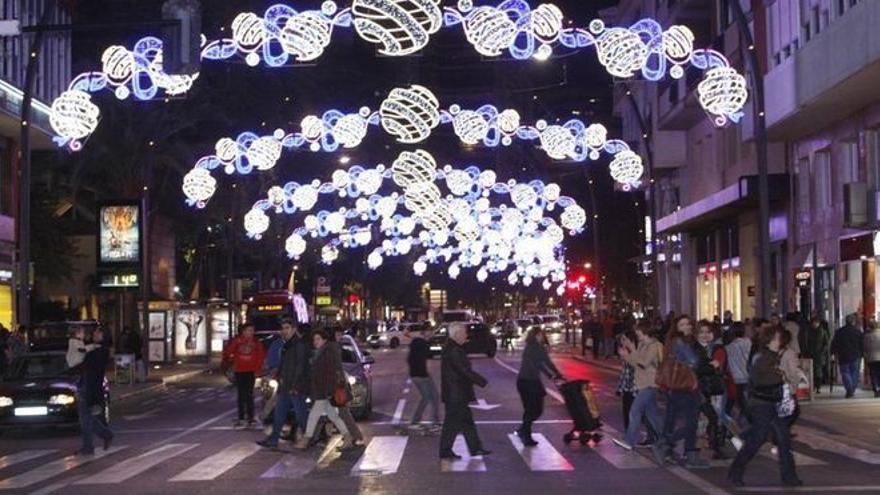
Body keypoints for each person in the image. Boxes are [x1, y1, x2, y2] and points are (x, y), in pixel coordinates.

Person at [728, 326, 801, 488]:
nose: (778, 341)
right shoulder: (762, 357)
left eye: (780, 338)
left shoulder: (772, 355)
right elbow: (758, 380)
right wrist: (780, 376)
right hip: (762, 404)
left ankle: (790, 476)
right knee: (758, 439)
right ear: (769, 339)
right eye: (776, 338)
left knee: (783, 439)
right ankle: (735, 472)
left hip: (773, 403)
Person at [651, 315, 709, 469]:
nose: (687, 327)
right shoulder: (680, 342)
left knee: (674, 419)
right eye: (682, 324)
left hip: (675, 385)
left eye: (688, 324)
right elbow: (693, 361)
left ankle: (673, 449)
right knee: (691, 421)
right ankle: (668, 446)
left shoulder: (672, 341)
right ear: (676, 327)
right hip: (686, 385)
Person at [295, 329, 356, 450]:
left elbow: (330, 373)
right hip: (321, 390)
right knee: (333, 416)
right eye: (314, 339)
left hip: (324, 391)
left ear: (324, 340)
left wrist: (328, 390)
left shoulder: (327, 352)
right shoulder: (320, 352)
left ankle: (306, 439)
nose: (315, 342)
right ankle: (347, 437)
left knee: (313, 415)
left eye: (318, 339)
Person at [439, 322, 491, 459]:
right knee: (452, 424)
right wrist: (482, 381)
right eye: (464, 333)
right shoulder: (454, 350)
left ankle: (475, 448)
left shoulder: (452, 347)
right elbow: (464, 370)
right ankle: (446, 450)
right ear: (456, 334)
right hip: (456, 394)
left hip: (455, 393)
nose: (466, 335)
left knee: (466, 422)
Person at [258, 319, 311, 448]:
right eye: (283, 328)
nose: (284, 331)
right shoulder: (288, 344)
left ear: (293, 329)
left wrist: (296, 385)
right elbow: (285, 365)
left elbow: (300, 367)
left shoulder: (299, 345)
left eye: (287, 328)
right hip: (286, 385)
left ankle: (309, 438)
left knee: (301, 415)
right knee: (279, 413)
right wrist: (279, 376)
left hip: (295, 386)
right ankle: (274, 439)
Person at [614, 320, 663, 451]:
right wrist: (627, 355)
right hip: (642, 383)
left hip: (651, 383)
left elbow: (643, 363)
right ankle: (666, 440)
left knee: (635, 411)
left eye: (639, 332)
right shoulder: (642, 344)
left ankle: (629, 441)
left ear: (645, 331)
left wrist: (631, 352)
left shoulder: (655, 345)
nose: (637, 334)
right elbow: (636, 364)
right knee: (653, 416)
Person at [516, 327, 563, 446]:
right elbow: (546, 363)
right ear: (537, 335)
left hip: (523, 381)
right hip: (531, 381)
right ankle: (525, 434)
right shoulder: (537, 347)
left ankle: (524, 430)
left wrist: (552, 376)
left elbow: (539, 364)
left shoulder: (529, 346)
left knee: (530, 409)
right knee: (535, 409)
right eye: (541, 335)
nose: (543, 337)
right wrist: (557, 374)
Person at [694, 321, 729, 460]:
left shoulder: (716, 348)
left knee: (712, 418)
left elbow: (718, 365)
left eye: (708, 332)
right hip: (697, 389)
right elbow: (698, 368)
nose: (705, 335)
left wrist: (709, 366)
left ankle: (713, 447)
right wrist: (709, 366)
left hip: (711, 389)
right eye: (701, 332)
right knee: (703, 419)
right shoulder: (694, 348)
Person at [76, 327, 114, 455]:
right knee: (87, 417)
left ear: (103, 335)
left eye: (97, 332)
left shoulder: (100, 350)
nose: (94, 334)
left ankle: (89, 446)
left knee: (85, 418)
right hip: (87, 384)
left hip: (91, 385)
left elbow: (86, 364)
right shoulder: (95, 348)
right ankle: (105, 435)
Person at [223, 323, 266, 428]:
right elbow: (227, 352)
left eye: (252, 330)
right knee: (242, 395)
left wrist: (258, 370)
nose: (251, 332)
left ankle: (250, 418)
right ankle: (242, 417)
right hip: (240, 371)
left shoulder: (256, 343)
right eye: (249, 330)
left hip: (250, 371)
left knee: (249, 395)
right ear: (244, 331)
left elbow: (261, 356)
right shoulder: (237, 341)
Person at [408, 325, 441, 430]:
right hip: (419, 374)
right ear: (425, 332)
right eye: (430, 332)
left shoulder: (419, 342)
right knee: (427, 397)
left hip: (422, 374)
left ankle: (435, 421)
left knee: (434, 396)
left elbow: (427, 355)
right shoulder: (420, 342)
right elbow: (427, 355)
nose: (432, 334)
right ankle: (415, 421)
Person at [831, 313, 864, 398]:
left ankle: (849, 389)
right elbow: (862, 344)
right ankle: (851, 389)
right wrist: (863, 354)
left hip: (843, 356)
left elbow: (834, 344)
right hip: (856, 356)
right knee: (855, 373)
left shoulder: (839, 332)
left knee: (845, 372)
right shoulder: (858, 332)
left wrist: (833, 353)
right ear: (854, 321)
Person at [778, 328, 806, 426]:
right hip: (787, 385)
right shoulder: (789, 353)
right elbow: (793, 370)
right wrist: (795, 383)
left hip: (778, 384)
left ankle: (781, 431)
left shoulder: (777, 351)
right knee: (794, 411)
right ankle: (781, 432)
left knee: (786, 410)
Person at [725, 322, 751, 425]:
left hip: (735, 376)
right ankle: (746, 420)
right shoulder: (748, 342)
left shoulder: (728, 347)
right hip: (747, 375)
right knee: (742, 400)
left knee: (733, 399)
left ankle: (726, 420)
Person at [616, 331, 638, 431]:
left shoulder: (635, 352)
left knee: (635, 412)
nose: (622, 342)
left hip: (635, 387)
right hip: (627, 388)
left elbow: (636, 368)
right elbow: (624, 373)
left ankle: (630, 434)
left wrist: (627, 356)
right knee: (627, 411)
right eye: (621, 340)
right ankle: (628, 433)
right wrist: (620, 388)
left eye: (624, 339)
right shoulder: (625, 352)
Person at [806, 317, 830, 393]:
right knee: (811, 371)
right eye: (813, 322)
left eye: (816, 323)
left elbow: (826, 344)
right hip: (810, 354)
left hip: (819, 355)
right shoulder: (808, 332)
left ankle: (818, 386)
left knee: (818, 371)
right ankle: (813, 386)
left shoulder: (823, 332)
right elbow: (805, 342)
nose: (815, 324)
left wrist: (822, 352)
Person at [863, 321, 880, 398]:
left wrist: (866, 355)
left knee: (873, 374)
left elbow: (865, 348)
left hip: (871, 358)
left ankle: (875, 389)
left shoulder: (867, 336)